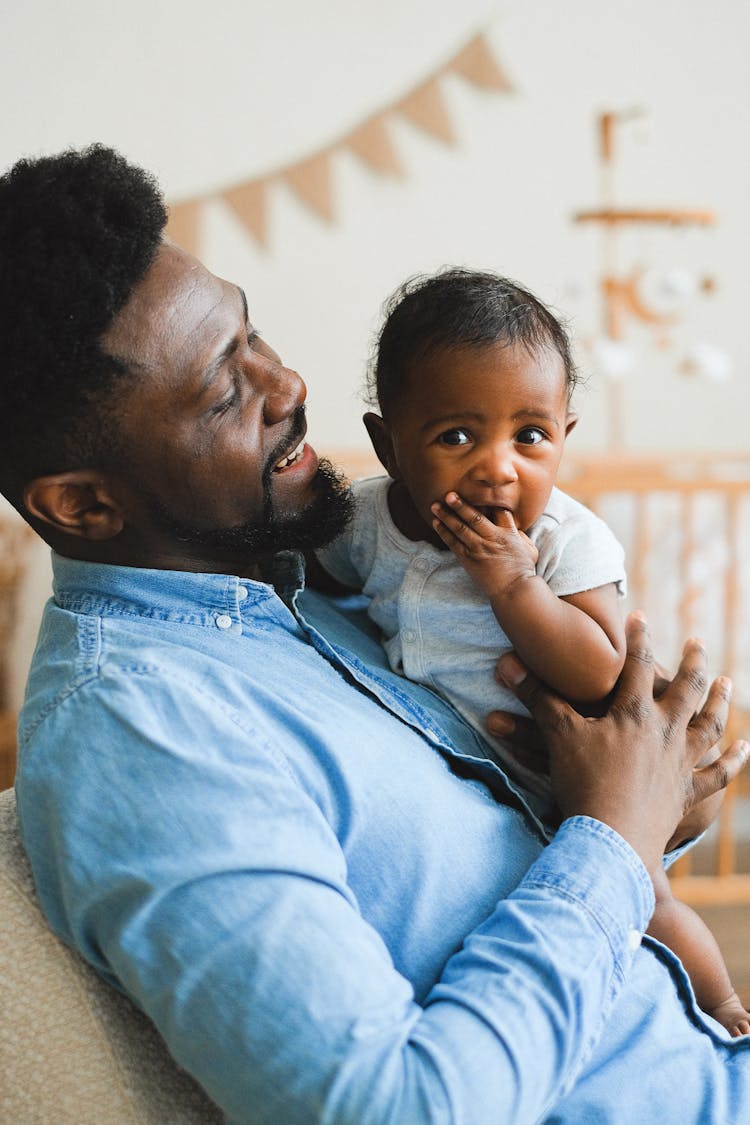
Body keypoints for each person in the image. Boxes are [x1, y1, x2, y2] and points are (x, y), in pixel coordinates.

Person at [1, 144, 748, 1124]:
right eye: (225, 390)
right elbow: (396, 1110)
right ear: (85, 506)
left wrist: (647, 802)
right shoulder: (145, 736)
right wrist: (612, 837)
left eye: (253, 333)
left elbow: (526, 814)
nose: (288, 381)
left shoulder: (304, 594)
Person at [313, 268, 750, 1038]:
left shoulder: (560, 542)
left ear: (563, 440)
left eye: (531, 436)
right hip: (490, 788)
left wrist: (514, 587)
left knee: (645, 899)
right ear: (389, 442)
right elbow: (325, 572)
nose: (499, 466)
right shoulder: (369, 520)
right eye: (456, 436)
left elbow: (602, 669)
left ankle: (722, 1006)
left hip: (591, 783)